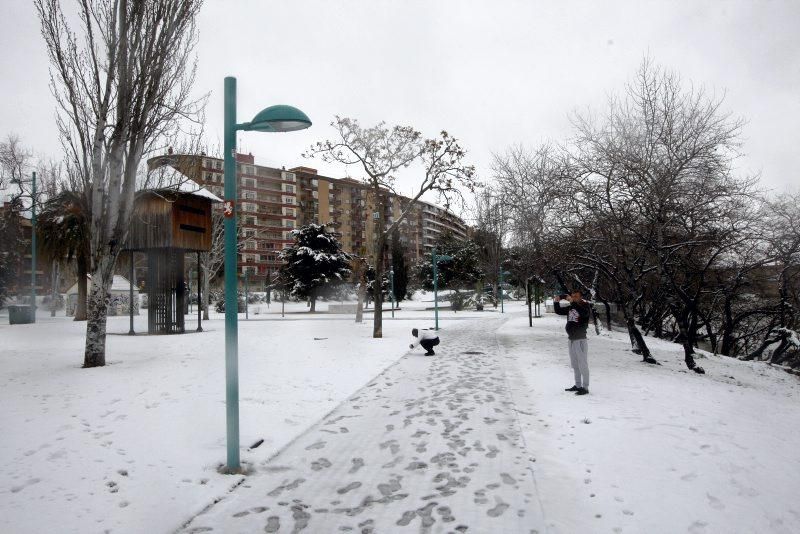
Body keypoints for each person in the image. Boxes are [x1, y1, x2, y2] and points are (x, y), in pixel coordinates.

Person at [554, 289, 592, 395]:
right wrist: (556, 301)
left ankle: (585, 387)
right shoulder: (572, 306)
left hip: (580, 340)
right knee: (575, 364)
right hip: (571, 339)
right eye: (572, 296)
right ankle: (578, 385)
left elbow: (584, 314)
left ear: (580, 297)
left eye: (576, 296)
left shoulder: (585, 306)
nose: (574, 298)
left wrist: (573, 302)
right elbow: (559, 311)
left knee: (582, 364)